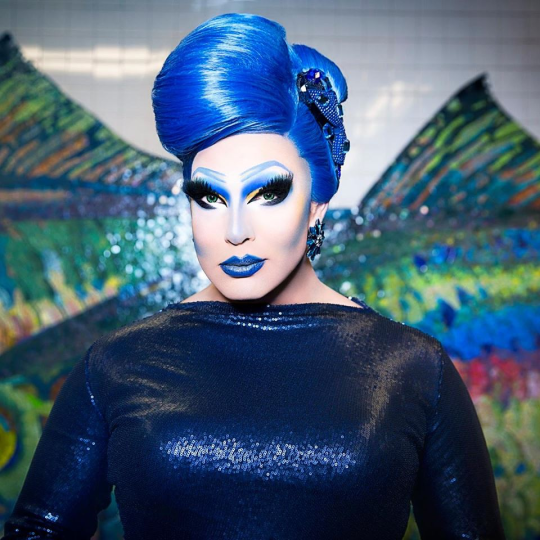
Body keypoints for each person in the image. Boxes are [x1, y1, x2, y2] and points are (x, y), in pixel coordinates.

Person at [3, 13, 505, 540]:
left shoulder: (412, 367)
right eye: (209, 197)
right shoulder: (117, 363)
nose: (235, 230)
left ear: (317, 203)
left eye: (268, 193)